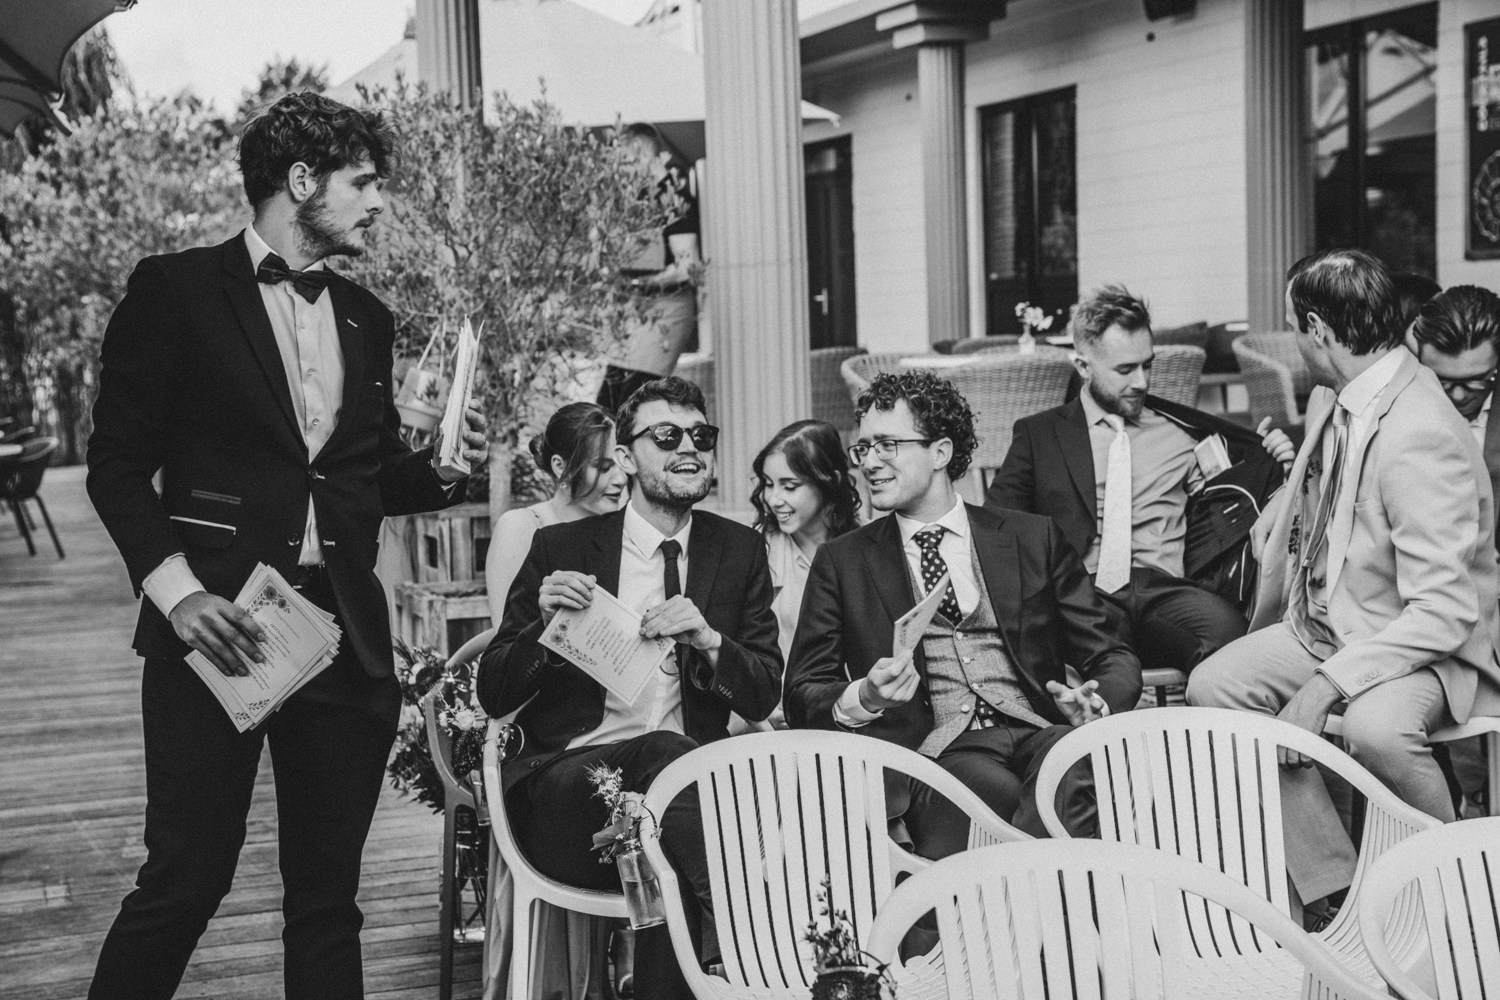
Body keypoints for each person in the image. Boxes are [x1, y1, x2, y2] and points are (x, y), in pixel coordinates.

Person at [84, 92, 488, 1000]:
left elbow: (363, 476)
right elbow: (116, 464)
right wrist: (179, 595)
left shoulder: (367, 316)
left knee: (328, 903)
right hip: (215, 634)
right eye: (363, 182)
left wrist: (441, 472)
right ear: (301, 180)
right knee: (184, 882)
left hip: (343, 642)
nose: (378, 202)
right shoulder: (175, 291)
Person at [1187, 249, 1500, 922]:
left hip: (1421, 642)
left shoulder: (1419, 429)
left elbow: (1443, 610)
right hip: (1332, 621)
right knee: (1214, 687)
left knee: (1374, 727)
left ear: (1318, 330)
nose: (1296, 339)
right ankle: (1336, 889)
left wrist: (1325, 686)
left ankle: (1455, 893)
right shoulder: (1340, 395)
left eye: (1294, 327)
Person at [478, 376, 782, 1000]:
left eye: (701, 435)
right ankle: (756, 948)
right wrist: (545, 629)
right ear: (625, 455)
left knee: (670, 833)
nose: (689, 448)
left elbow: (762, 696)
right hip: (569, 792)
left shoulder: (739, 550)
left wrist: (711, 642)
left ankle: (729, 959)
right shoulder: (562, 547)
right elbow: (494, 693)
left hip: (685, 802)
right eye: (666, 436)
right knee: (667, 762)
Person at [784, 371, 1142, 855]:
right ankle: (1074, 894)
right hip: (940, 752)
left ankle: (1029, 891)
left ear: (940, 452)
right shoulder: (842, 561)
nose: (868, 462)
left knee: (1073, 761)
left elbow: (1111, 654)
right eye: (863, 448)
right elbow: (802, 692)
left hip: (1039, 730)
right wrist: (865, 695)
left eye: (887, 445)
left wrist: (1097, 704)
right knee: (1018, 798)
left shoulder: (1032, 538)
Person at [986, 285, 1293, 677]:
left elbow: (1239, 486)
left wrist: (1276, 461)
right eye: (1125, 370)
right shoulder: (1041, 436)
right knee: (1112, 673)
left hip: (1165, 592)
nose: (1142, 382)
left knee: (1231, 643)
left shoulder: (1183, 432)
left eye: (1147, 365)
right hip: (1084, 596)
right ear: (1083, 366)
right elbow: (995, 526)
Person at [480, 400, 628, 1000]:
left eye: (621, 462)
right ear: (562, 466)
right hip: (533, 714)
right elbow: (507, 642)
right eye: (601, 465)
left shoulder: (621, 528)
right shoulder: (526, 527)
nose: (618, 478)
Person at [1405, 284, 1500, 813]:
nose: (1459, 397)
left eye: (1477, 382)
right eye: (1444, 382)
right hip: (1423, 600)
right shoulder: (1404, 409)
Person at [596, 124, 701, 412]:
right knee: (606, 403)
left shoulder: (675, 197)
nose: (623, 171)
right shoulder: (637, 200)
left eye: (625, 162)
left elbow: (688, 267)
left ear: (641, 154)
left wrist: (642, 283)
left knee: (633, 401)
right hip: (635, 312)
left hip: (667, 312)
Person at [750, 419, 862, 663]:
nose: (774, 499)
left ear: (829, 481)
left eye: (789, 487)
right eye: (768, 484)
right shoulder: (758, 551)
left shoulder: (867, 544)